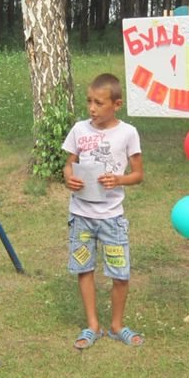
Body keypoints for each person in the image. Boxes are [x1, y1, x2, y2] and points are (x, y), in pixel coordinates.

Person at [62, 73, 144, 350]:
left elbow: (138, 174)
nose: (92, 109)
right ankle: (92, 326)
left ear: (116, 104)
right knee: (84, 268)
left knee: (120, 274)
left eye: (99, 103)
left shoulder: (128, 133)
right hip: (82, 215)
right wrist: (68, 177)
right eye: (89, 102)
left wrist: (118, 179)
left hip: (111, 218)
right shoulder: (79, 130)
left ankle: (117, 325)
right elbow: (68, 164)